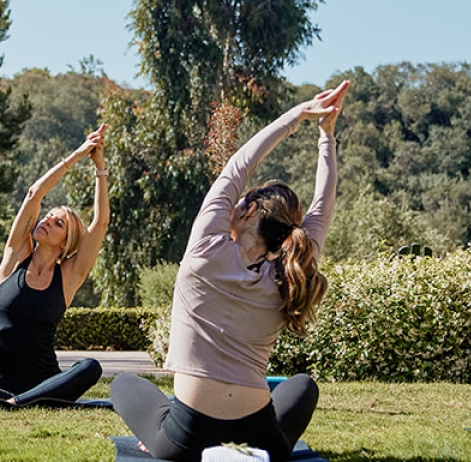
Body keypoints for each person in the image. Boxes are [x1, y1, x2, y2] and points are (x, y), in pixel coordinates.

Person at [110, 82, 348, 462]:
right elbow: (323, 208)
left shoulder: (206, 247)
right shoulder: (288, 273)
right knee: (303, 386)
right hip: (261, 434)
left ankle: (163, 434)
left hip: (186, 436)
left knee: (123, 384)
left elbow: (239, 165)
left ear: (250, 210)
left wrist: (295, 117)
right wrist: (326, 136)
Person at [0, 125, 113, 408]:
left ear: (66, 242)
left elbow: (100, 223)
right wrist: (77, 155)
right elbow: (34, 194)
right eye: (49, 216)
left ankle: (12, 402)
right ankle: (15, 401)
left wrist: (99, 169)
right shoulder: (15, 257)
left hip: (44, 380)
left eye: (58, 223)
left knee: (90, 367)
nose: (46, 221)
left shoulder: (67, 276)